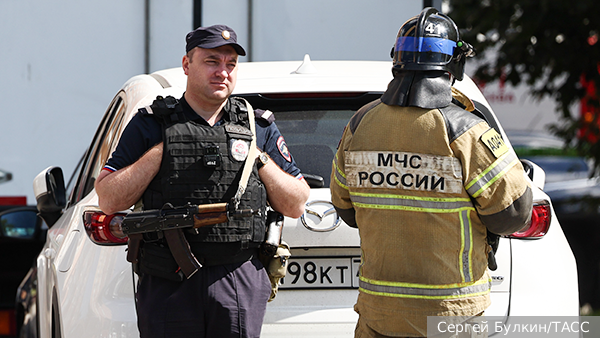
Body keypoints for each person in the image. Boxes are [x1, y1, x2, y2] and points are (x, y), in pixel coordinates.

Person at [95, 24, 310, 338]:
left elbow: (297, 203)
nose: (223, 71)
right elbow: (109, 199)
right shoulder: (150, 124)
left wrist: (255, 156)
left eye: (230, 64)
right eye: (212, 61)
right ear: (187, 64)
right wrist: (162, 151)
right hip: (168, 277)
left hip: (237, 274)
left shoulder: (256, 126)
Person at [330, 8, 532, 338]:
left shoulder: (360, 124)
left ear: (397, 60)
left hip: (378, 313)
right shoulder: (466, 130)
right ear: (454, 63)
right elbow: (513, 213)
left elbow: (345, 209)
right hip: (451, 313)